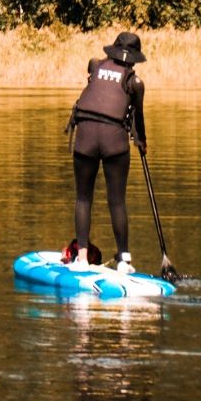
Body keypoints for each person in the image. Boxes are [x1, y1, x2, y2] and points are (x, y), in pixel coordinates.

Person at [66, 31, 148, 270]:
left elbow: (96, 83)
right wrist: (141, 142)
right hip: (114, 142)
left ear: (113, 50)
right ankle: (124, 260)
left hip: (86, 137)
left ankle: (81, 258)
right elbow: (138, 119)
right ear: (133, 57)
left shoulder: (95, 64)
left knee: (83, 198)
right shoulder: (135, 82)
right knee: (117, 202)